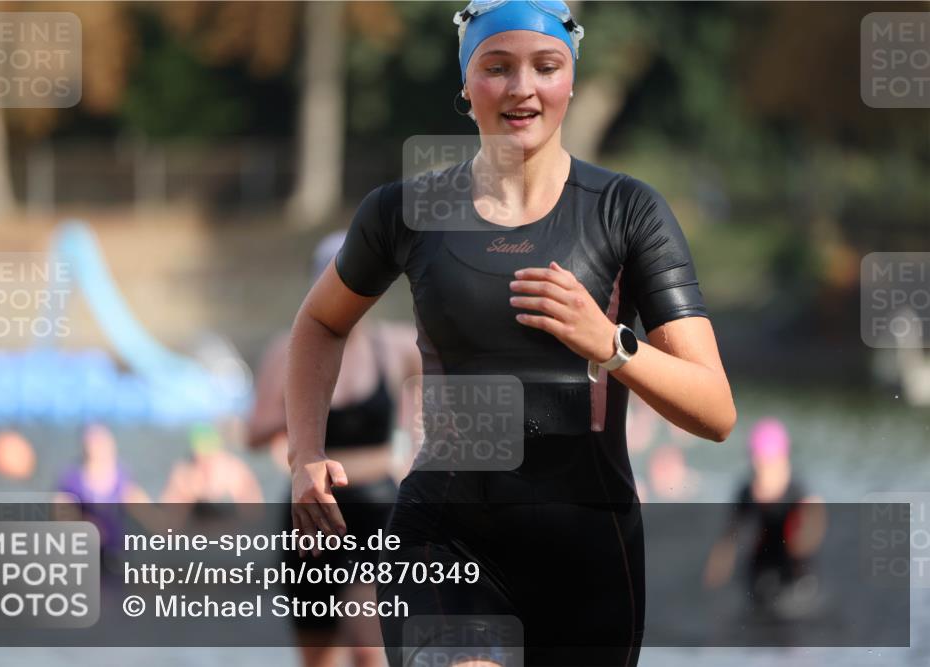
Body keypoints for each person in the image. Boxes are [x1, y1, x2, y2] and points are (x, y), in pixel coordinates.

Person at [285, 2, 736, 666]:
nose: (522, 88)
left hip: (590, 547)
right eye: (497, 68)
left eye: (545, 66)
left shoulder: (629, 213)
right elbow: (321, 322)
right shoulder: (407, 212)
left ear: (571, 78)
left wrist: (611, 342)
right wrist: (305, 454)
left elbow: (716, 410)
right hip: (444, 535)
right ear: (467, 85)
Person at [248, 230, 423, 667]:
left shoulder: (396, 345)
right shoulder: (285, 351)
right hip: (311, 512)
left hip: (377, 508)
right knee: (319, 657)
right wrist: (302, 411)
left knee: (369, 647)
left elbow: (456, 377)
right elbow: (253, 433)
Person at [703, 417, 826, 618]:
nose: (764, 476)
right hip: (759, 572)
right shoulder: (747, 492)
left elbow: (808, 539)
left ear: (783, 462)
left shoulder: (798, 493)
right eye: (759, 467)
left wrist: (812, 519)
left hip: (795, 577)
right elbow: (729, 539)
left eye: (769, 466)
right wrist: (715, 576)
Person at [55, 423, 149, 565]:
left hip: (118, 557)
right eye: (94, 442)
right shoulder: (71, 481)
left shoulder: (123, 479)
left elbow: (151, 518)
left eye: (102, 442)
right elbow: (61, 516)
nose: (99, 447)